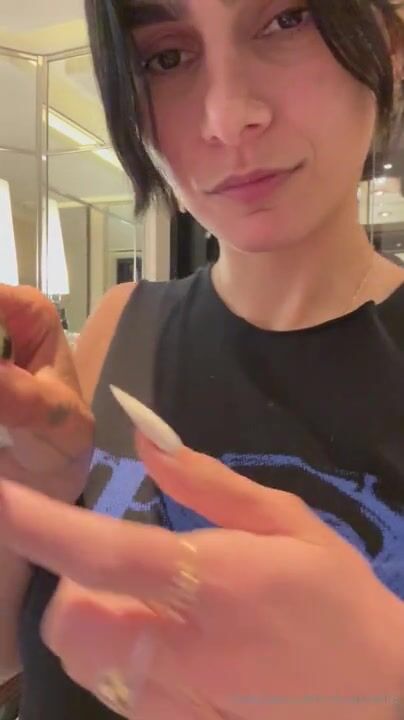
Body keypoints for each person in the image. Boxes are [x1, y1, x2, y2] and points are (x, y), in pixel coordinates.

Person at [1, 0, 404, 717]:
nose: (226, 117)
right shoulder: (120, 325)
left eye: (287, 19)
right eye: (166, 58)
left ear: (391, 41)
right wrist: (30, 493)